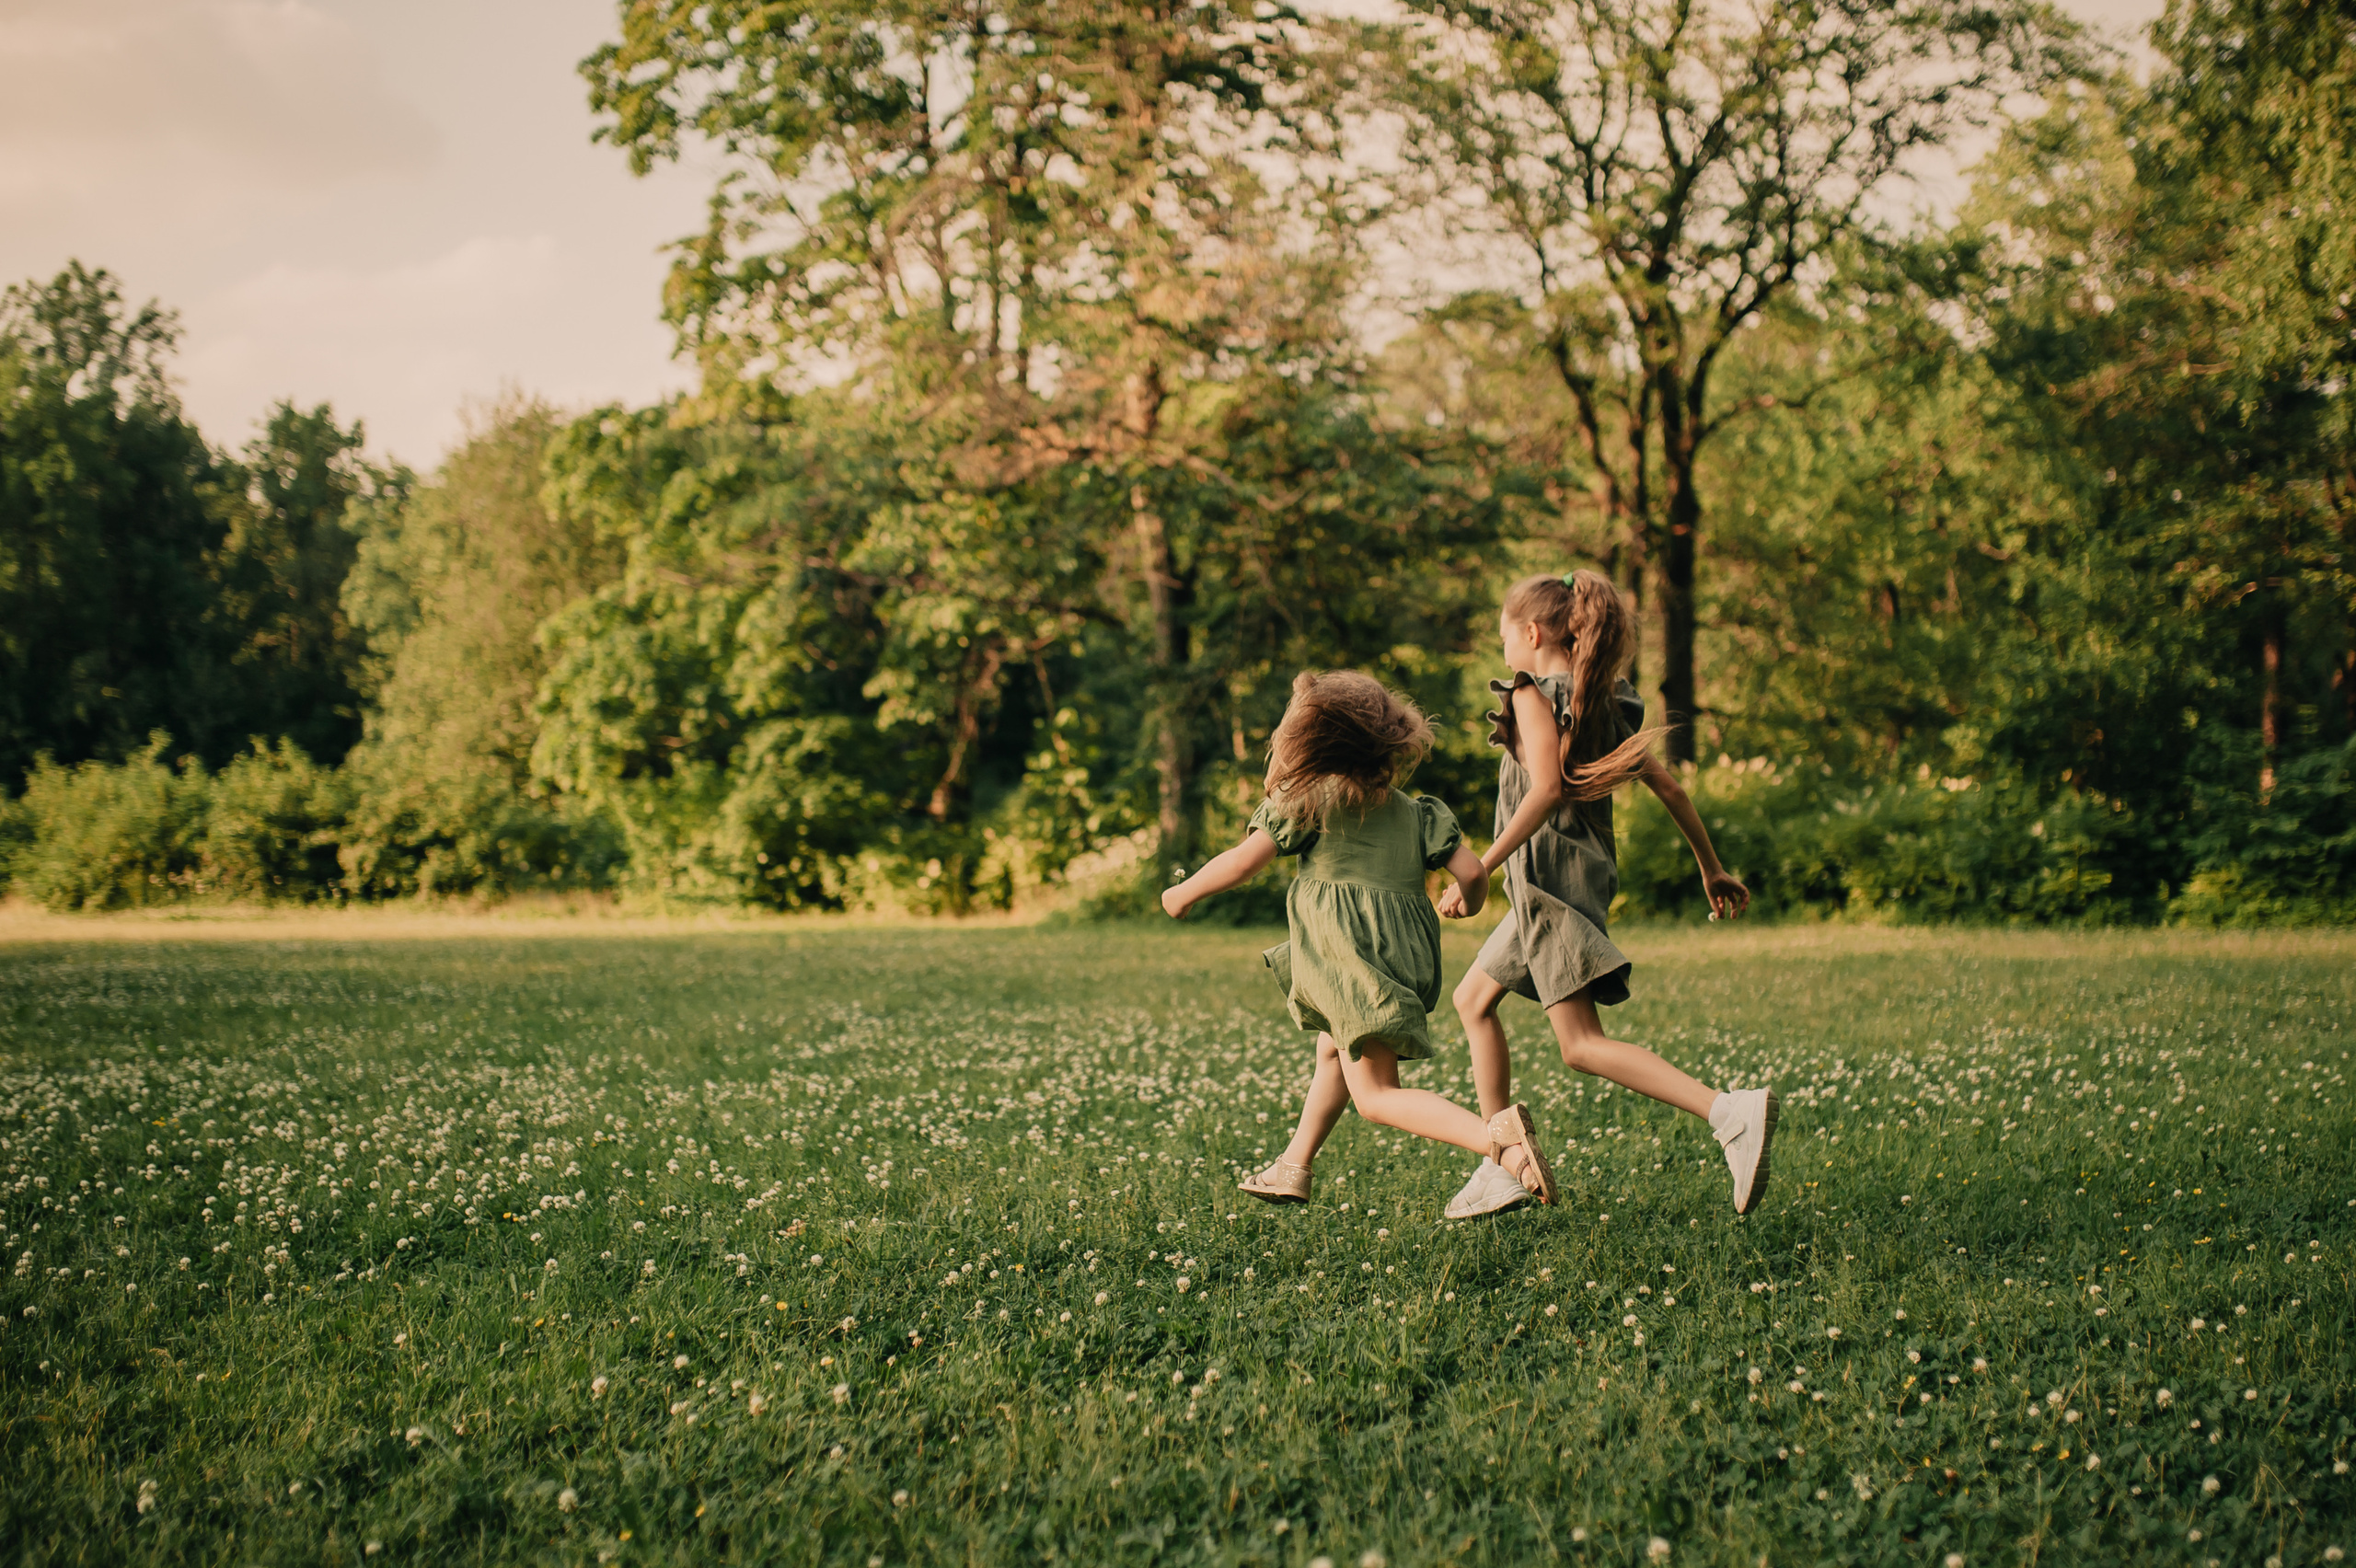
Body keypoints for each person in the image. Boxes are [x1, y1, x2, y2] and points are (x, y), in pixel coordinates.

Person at [1440, 571, 1779, 1222]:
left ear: (1531, 634)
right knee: (1472, 999)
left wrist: (1477, 869)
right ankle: (1499, 1162)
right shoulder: (1600, 697)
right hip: (1563, 882)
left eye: (1504, 634)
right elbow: (1672, 790)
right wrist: (1710, 867)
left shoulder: (1533, 693)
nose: (1503, 645)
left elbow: (1543, 792)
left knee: (1580, 1045)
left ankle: (1727, 1112)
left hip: (1548, 888)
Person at [1162, 670, 1560, 1206]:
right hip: (1404, 956)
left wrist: (1182, 895)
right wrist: (1470, 898)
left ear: (1308, 744)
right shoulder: (1416, 811)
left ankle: (1502, 1147)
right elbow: (1470, 871)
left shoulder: (1307, 802)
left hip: (1348, 958)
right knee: (1334, 1049)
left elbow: (1241, 863)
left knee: (1375, 1096)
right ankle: (1293, 1166)